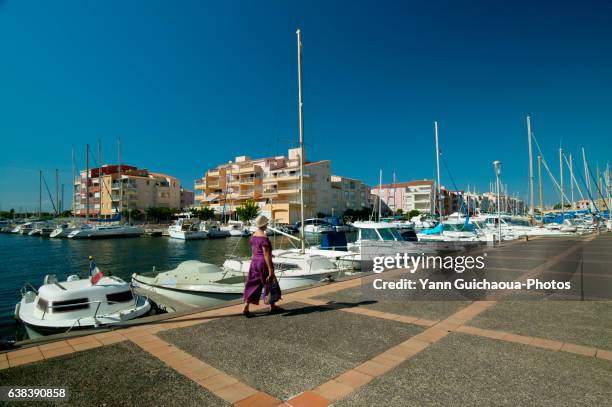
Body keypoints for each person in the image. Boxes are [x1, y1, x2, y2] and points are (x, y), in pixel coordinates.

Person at [243, 215, 283, 317]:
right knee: (270, 282)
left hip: (254, 261)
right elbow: (265, 254)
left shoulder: (254, 235)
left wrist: (269, 253)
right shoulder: (264, 238)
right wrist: (271, 269)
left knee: (253, 284)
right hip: (263, 263)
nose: (267, 224)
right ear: (264, 224)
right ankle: (273, 306)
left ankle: (246, 306)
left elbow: (256, 250)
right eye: (267, 223)